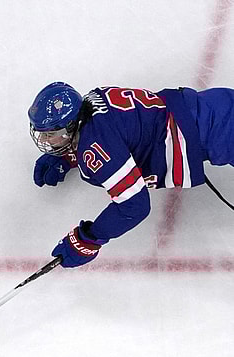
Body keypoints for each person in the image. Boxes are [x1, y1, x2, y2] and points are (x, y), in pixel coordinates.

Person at [28, 81, 234, 267]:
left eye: (51, 134)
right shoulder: (94, 98)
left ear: (72, 126)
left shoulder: (97, 147)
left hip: (223, 134)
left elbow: (134, 205)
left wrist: (88, 239)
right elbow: (126, 132)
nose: (45, 140)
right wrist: (70, 155)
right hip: (215, 103)